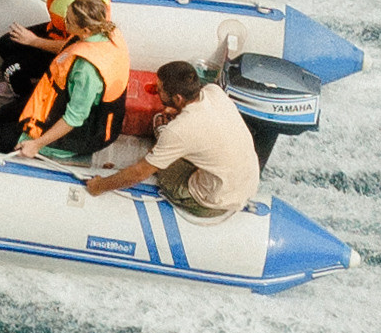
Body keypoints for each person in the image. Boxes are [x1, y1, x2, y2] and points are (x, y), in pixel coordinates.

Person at [0, 0, 131, 161]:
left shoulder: (86, 70)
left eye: (69, 21)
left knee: (1, 138)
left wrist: (37, 144)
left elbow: (74, 118)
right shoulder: (105, 32)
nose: (65, 23)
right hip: (62, 99)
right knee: (8, 111)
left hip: (86, 131)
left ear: (85, 30)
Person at [83, 59, 261, 218]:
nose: (157, 92)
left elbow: (140, 172)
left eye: (160, 90)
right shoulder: (214, 91)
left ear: (177, 98)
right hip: (246, 182)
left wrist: (100, 186)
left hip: (215, 200)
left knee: (164, 165)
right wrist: (179, 112)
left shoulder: (178, 131)